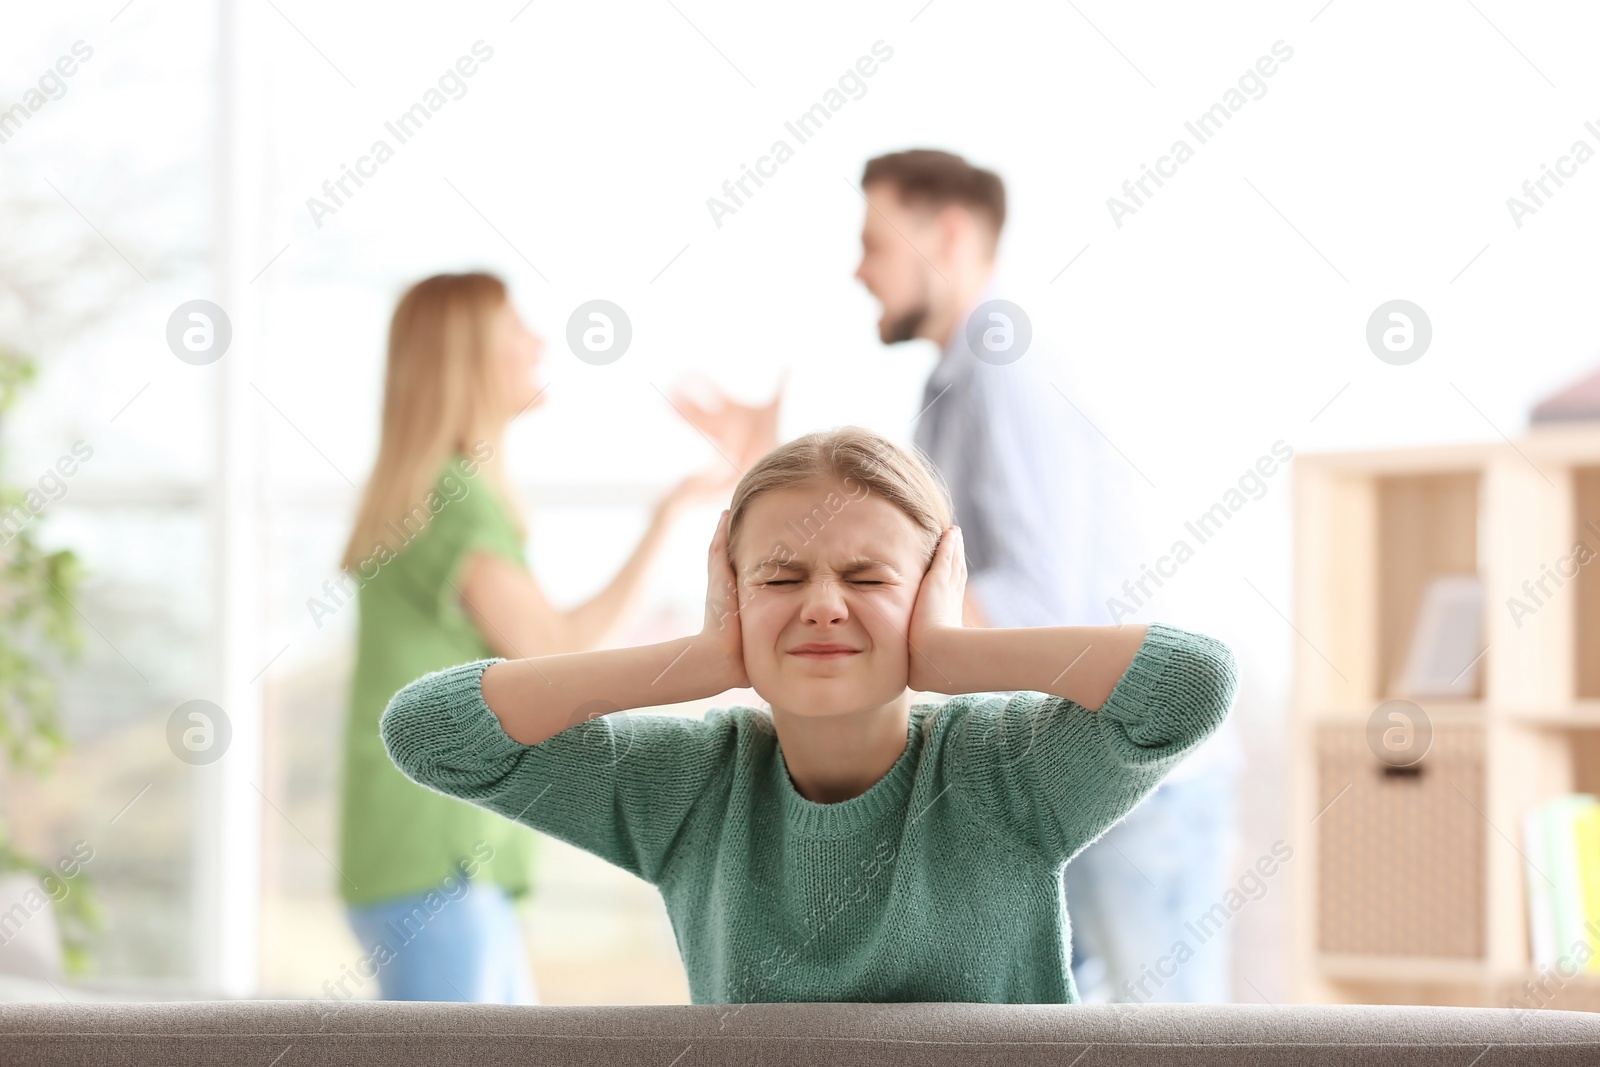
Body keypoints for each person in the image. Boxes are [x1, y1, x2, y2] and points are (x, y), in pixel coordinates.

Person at [379, 426, 1238, 1004]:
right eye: (782, 579)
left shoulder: (1004, 769)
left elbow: (1191, 684)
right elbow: (430, 732)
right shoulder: (686, 787)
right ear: (733, 595)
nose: (824, 605)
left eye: (868, 579)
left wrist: (954, 653)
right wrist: (702, 661)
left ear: (932, 590)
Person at [848, 149, 1245, 1003]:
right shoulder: (957, 376)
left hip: (1138, 783)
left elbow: (1034, 598)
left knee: (1168, 1052)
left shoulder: (1001, 362)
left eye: (874, 241)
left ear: (947, 235)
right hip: (1080, 778)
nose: (859, 269)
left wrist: (887, 629)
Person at [335, 271, 753, 1003]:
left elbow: (557, 645)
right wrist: (715, 651)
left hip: (426, 851)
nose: (537, 343)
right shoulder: (453, 502)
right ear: (467, 359)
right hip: (437, 856)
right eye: (514, 330)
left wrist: (669, 515)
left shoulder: (439, 495)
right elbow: (559, 659)